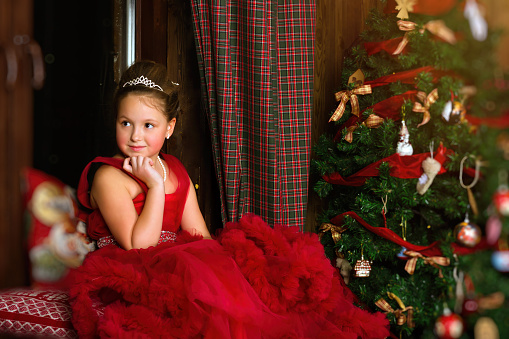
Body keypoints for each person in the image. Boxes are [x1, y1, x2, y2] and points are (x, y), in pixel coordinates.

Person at [68, 60, 390, 339]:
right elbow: (139, 248)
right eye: (126, 123)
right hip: (134, 276)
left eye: (148, 125)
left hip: (176, 266)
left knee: (242, 273)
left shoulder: (175, 169)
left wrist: (225, 276)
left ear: (169, 128)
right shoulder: (108, 176)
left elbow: (201, 237)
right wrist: (154, 187)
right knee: (193, 275)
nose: (135, 135)